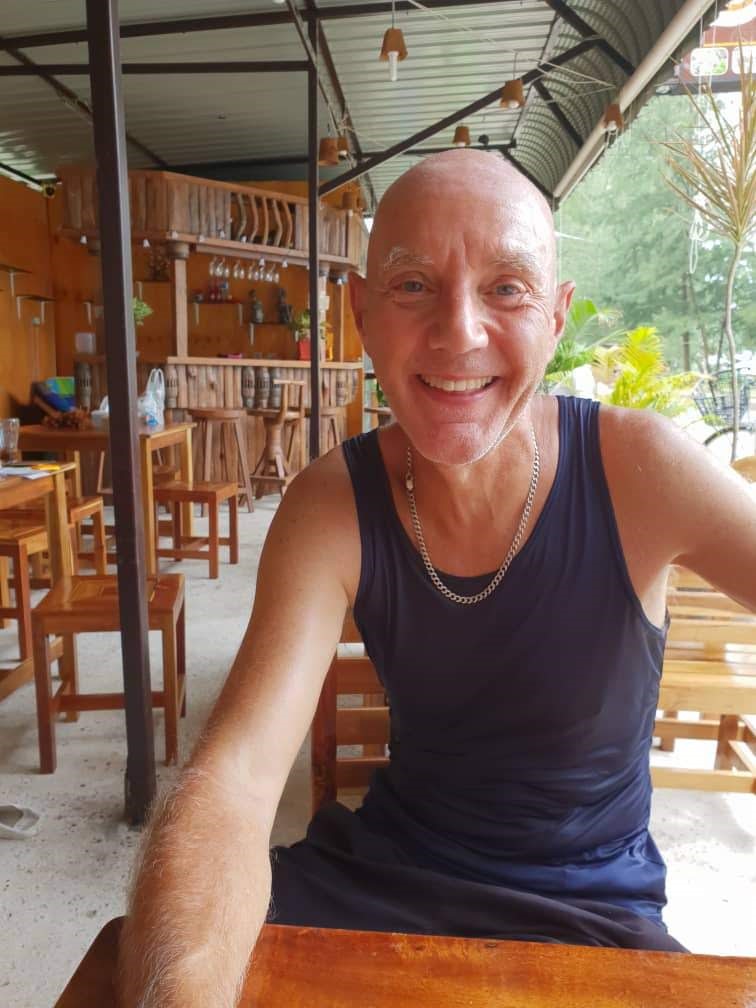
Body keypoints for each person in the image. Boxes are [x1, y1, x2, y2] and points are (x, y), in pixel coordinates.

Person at [118, 150, 756, 1007]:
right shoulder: (331, 504)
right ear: (361, 313)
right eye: (413, 285)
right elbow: (234, 778)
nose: (459, 333)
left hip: (588, 910)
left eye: (507, 288)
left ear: (556, 317)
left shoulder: (639, 468)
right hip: (381, 880)